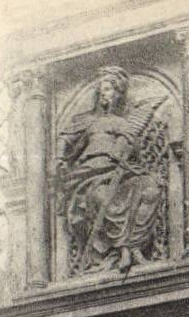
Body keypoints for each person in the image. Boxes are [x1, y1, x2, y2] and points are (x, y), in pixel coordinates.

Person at [56, 66, 166, 275]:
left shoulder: (124, 123)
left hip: (119, 171)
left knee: (151, 188)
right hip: (90, 174)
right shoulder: (88, 120)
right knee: (101, 195)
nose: (104, 94)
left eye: (109, 89)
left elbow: (132, 151)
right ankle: (123, 249)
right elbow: (65, 138)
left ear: (118, 93)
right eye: (102, 90)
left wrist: (126, 146)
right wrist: (59, 158)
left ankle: (132, 247)